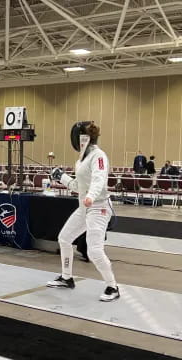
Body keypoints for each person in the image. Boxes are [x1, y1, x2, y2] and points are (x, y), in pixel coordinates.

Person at [49, 122, 119, 302]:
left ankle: (113, 286)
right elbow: (77, 186)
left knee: (95, 250)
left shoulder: (99, 156)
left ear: (82, 138)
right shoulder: (81, 160)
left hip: (99, 207)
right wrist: (61, 177)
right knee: (64, 238)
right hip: (84, 208)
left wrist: (91, 196)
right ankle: (67, 278)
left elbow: (99, 180)